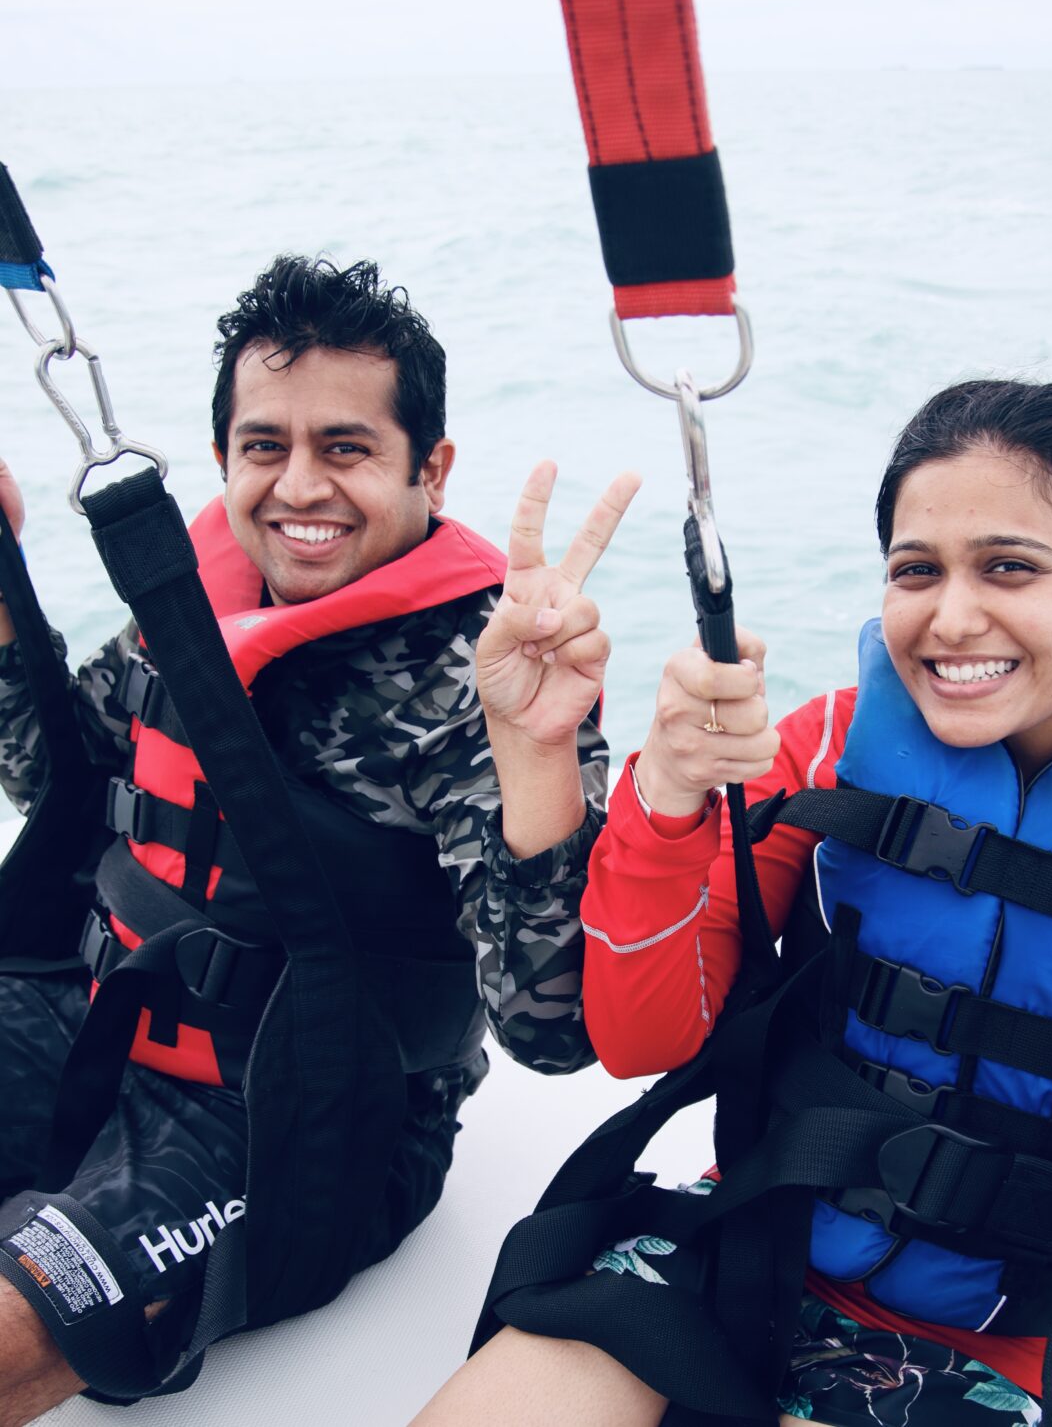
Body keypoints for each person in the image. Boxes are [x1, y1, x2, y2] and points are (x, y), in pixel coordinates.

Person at [415, 380, 1052, 1427]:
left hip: (994, 1353)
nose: (951, 616)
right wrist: (665, 802)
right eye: (915, 570)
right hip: (743, 1242)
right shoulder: (830, 748)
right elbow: (639, 1035)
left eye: (1009, 567)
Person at [0, 255, 638, 1424]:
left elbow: (557, 1030)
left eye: (345, 448)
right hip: (95, 1016)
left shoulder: (477, 679)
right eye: (264, 446)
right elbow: (59, 777)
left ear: (429, 469)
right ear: (224, 459)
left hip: (301, 1120)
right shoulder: (197, 595)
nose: (301, 486)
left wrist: (539, 746)